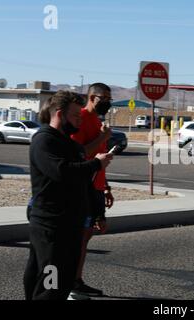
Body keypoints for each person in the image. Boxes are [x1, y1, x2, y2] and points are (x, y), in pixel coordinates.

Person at [23, 91, 112, 300]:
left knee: (60, 280)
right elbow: (61, 171)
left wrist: (98, 209)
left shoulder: (69, 143)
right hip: (51, 226)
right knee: (50, 283)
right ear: (60, 114)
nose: (79, 119)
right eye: (75, 115)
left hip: (70, 224)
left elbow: (81, 178)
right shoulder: (44, 140)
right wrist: (96, 163)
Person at [69, 83, 114, 299]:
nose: (107, 102)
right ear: (91, 97)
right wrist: (103, 138)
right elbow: (79, 155)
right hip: (82, 188)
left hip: (96, 187)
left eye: (109, 98)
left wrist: (106, 188)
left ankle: (76, 280)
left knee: (86, 237)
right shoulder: (81, 119)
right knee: (78, 238)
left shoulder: (97, 121)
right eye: (103, 97)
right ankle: (69, 284)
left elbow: (100, 159)